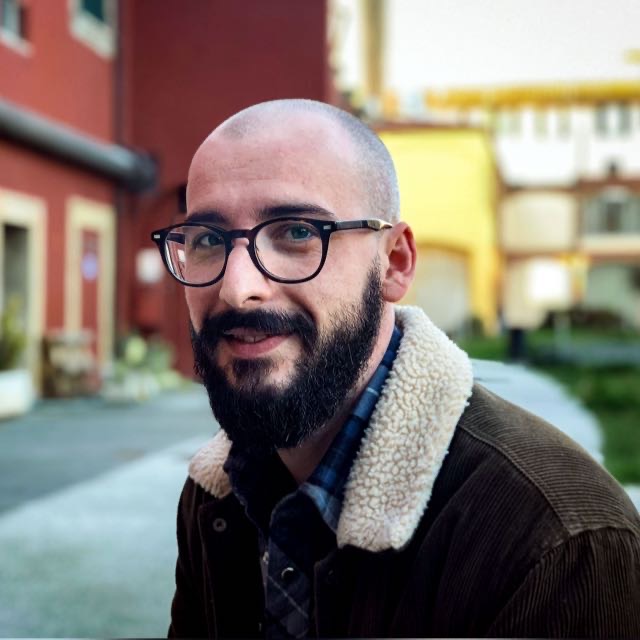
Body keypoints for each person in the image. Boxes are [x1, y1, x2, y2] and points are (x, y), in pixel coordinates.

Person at [151, 99, 640, 638]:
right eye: (207, 240)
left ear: (395, 263)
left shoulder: (560, 541)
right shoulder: (217, 496)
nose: (237, 288)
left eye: (296, 232)